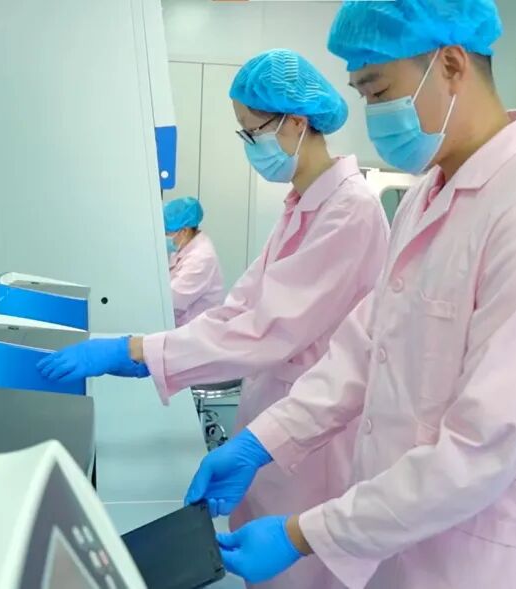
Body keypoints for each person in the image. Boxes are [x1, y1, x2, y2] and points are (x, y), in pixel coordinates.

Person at [182, 1, 516, 588]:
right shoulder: (425, 196)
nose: (372, 115)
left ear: (452, 65)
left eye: (379, 90)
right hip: (398, 540)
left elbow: (483, 447)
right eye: (362, 94)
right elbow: (365, 350)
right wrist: (262, 442)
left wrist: (305, 535)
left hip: (482, 562)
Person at [38, 48, 390, 588]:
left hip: (316, 438)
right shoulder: (303, 204)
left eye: (254, 131)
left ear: (296, 123)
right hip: (275, 415)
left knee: (301, 576)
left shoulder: (351, 210)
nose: (250, 145)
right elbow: (240, 306)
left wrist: (135, 351)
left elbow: (267, 328)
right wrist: (142, 350)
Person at [162, 197, 225, 327]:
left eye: (167, 232)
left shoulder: (201, 258)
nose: (166, 237)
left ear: (184, 231)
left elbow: (171, 301)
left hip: (198, 331)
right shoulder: (183, 246)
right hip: (184, 328)